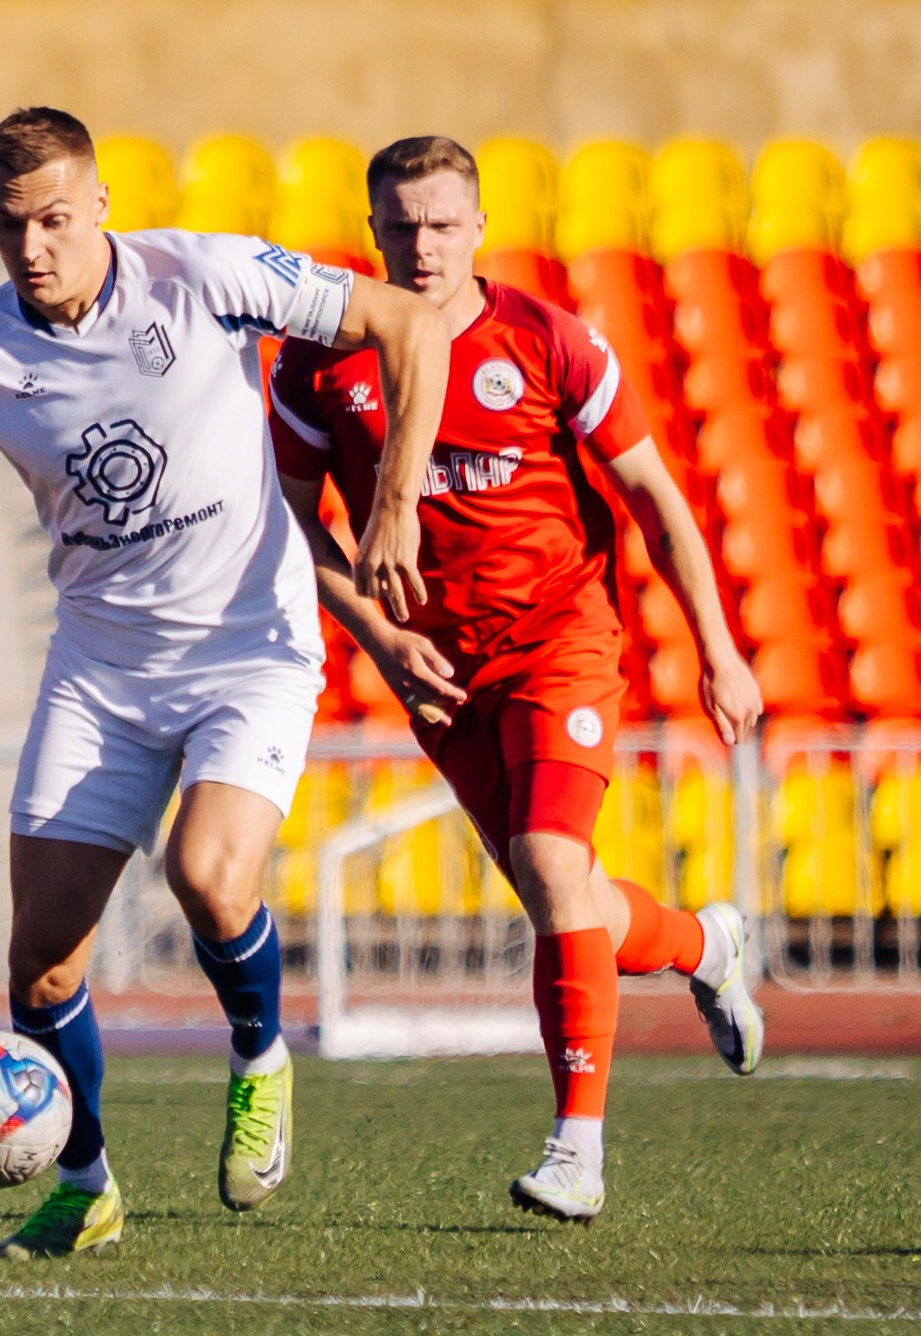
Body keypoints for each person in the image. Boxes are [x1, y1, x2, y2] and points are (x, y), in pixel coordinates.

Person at [0, 106, 450, 1258]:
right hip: (101, 670)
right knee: (41, 961)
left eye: (56, 218)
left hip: (247, 647)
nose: (34, 248)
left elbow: (408, 326)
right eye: (12, 227)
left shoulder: (201, 275)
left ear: (101, 203)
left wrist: (396, 497)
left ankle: (259, 1054)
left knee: (206, 875)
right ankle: (88, 1182)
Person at [267, 135, 767, 1226]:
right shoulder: (318, 361)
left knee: (548, 861)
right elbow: (296, 525)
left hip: (560, 637)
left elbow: (654, 497)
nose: (423, 245)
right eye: (400, 225)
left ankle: (576, 1148)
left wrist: (720, 647)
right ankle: (705, 942)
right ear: (371, 230)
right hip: (440, 669)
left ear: (482, 226)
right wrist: (384, 640)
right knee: (567, 893)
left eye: (444, 223)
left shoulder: (546, 341)